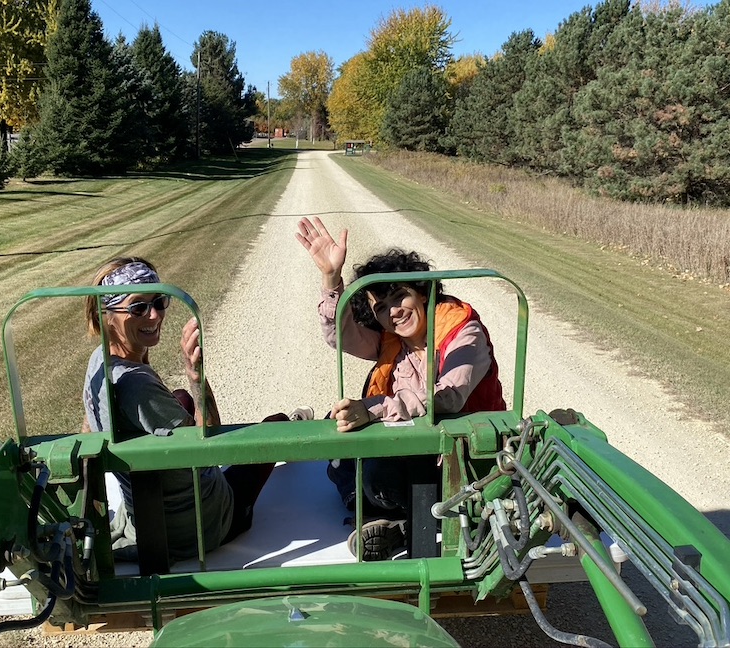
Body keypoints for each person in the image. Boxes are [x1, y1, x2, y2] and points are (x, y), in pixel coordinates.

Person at [295, 217, 506, 560]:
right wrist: (331, 278)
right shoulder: (391, 342)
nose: (393, 311)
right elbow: (339, 335)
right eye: (380, 308)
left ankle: (397, 518)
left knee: (376, 476)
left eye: (399, 296)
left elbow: (448, 395)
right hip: (415, 454)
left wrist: (374, 408)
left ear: (421, 292)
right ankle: (397, 522)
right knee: (339, 455)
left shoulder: (464, 333)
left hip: (463, 462)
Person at [82, 257, 312, 564]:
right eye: (138, 307)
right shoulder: (136, 387)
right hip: (200, 528)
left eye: (159, 300)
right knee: (275, 425)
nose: (154, 314)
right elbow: (212, 450)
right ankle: (296, 423)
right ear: (106, 314)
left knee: (178, 399)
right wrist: (195, 375)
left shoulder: (101, 361)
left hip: (143, 512)